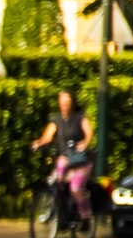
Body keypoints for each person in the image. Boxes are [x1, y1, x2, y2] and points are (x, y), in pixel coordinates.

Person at [30, 90, 96, 221]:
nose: (64, 105)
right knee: (58, 175)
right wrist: (39, 142)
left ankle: (85, 215)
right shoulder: (56, 120)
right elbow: (47, 136)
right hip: (65, 156)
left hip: (80, 160)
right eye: (62, 103)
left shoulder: (79, 117)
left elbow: (89, 132)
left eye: (67, 102)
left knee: (75, 188)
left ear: (72, 103)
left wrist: (84, 143)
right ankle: (58, 206)